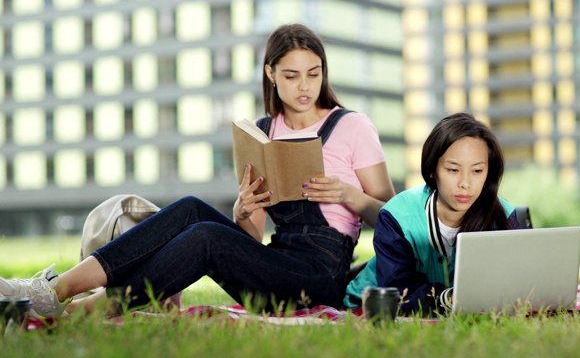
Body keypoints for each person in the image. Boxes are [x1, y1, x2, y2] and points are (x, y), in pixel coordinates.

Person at [0, 23, 395, 317]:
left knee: (205, 236)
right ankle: (52, 289)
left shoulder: (352, 126)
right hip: (275, 264)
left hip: (321, 275)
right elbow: (251, 238)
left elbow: (393, 221)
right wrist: (243, 210)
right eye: (291, 76)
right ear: (271, 74)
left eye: (313, 73)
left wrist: (348, 195)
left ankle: (76, 309)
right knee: (191, 207)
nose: (304, 86)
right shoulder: (261, 134)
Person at [343, 112, 520, 316]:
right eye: (453, 170)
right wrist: (448, 299)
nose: (465, 183)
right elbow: (399, 292)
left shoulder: (504, 215)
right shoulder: (397, 215)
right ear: (432, 170)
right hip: (368, 304)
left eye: (477, 171)